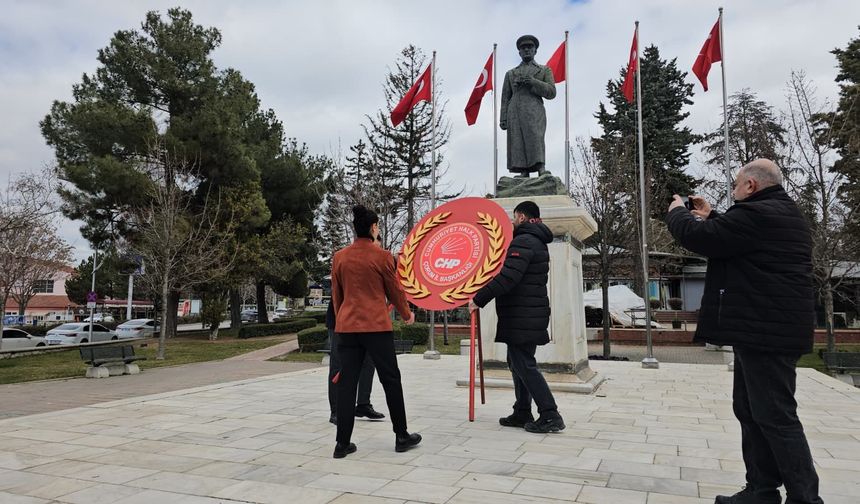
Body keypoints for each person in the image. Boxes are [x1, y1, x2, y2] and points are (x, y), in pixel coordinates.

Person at [665, 159, 823, 504]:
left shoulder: (758, 213)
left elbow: (699, 237)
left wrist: (677, 213)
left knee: (776, 416)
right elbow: (736, 238)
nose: (734, 189)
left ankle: (805, 499)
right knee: (751, 410)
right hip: (762, 329)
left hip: (766, 331)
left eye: (736, 184)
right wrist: (713, 216)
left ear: (751, 185)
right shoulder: (776, 212)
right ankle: (761, 491)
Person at [330, 205, 421, 459]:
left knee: (347, 383)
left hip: (348, 328)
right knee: (390, 379)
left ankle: (342, 443)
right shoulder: (382, 257)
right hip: (376, 327)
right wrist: (407, 314)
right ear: (373, 228)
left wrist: (342, 320)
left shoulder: (339, 257)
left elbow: (337, 296)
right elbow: (395, 290)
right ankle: (401, 435)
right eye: (377, 225)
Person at [468, 200, 564, 433]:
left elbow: (508, 277)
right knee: (517, 362)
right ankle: (522, 411)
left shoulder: (524, 241)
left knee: (524, 364)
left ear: (521, 217)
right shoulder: (536, 240)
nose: (512, 221)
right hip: (526, 313)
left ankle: (550, 414)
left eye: (514, 217)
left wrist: (479, 299)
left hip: (523, 315)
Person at [500, 35, 557, 177]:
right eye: (523, 48)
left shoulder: (544, 70)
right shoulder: (511, 73)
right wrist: (503, 118)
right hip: (515, 111)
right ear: (519, 52)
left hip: (534, 109)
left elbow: (551, 92)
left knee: (535, 137)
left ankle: (540, 167)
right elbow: (505, 97)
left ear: (535, 50)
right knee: (517, 140)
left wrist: (533, 82)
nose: (526, 50)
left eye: (530, 47)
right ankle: (523, 171)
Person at [325, 300, 385, 425]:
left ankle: (363, 404)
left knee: (368, 362)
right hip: (340, 319)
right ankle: (336, 410)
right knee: (339, 364)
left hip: (365, 321)